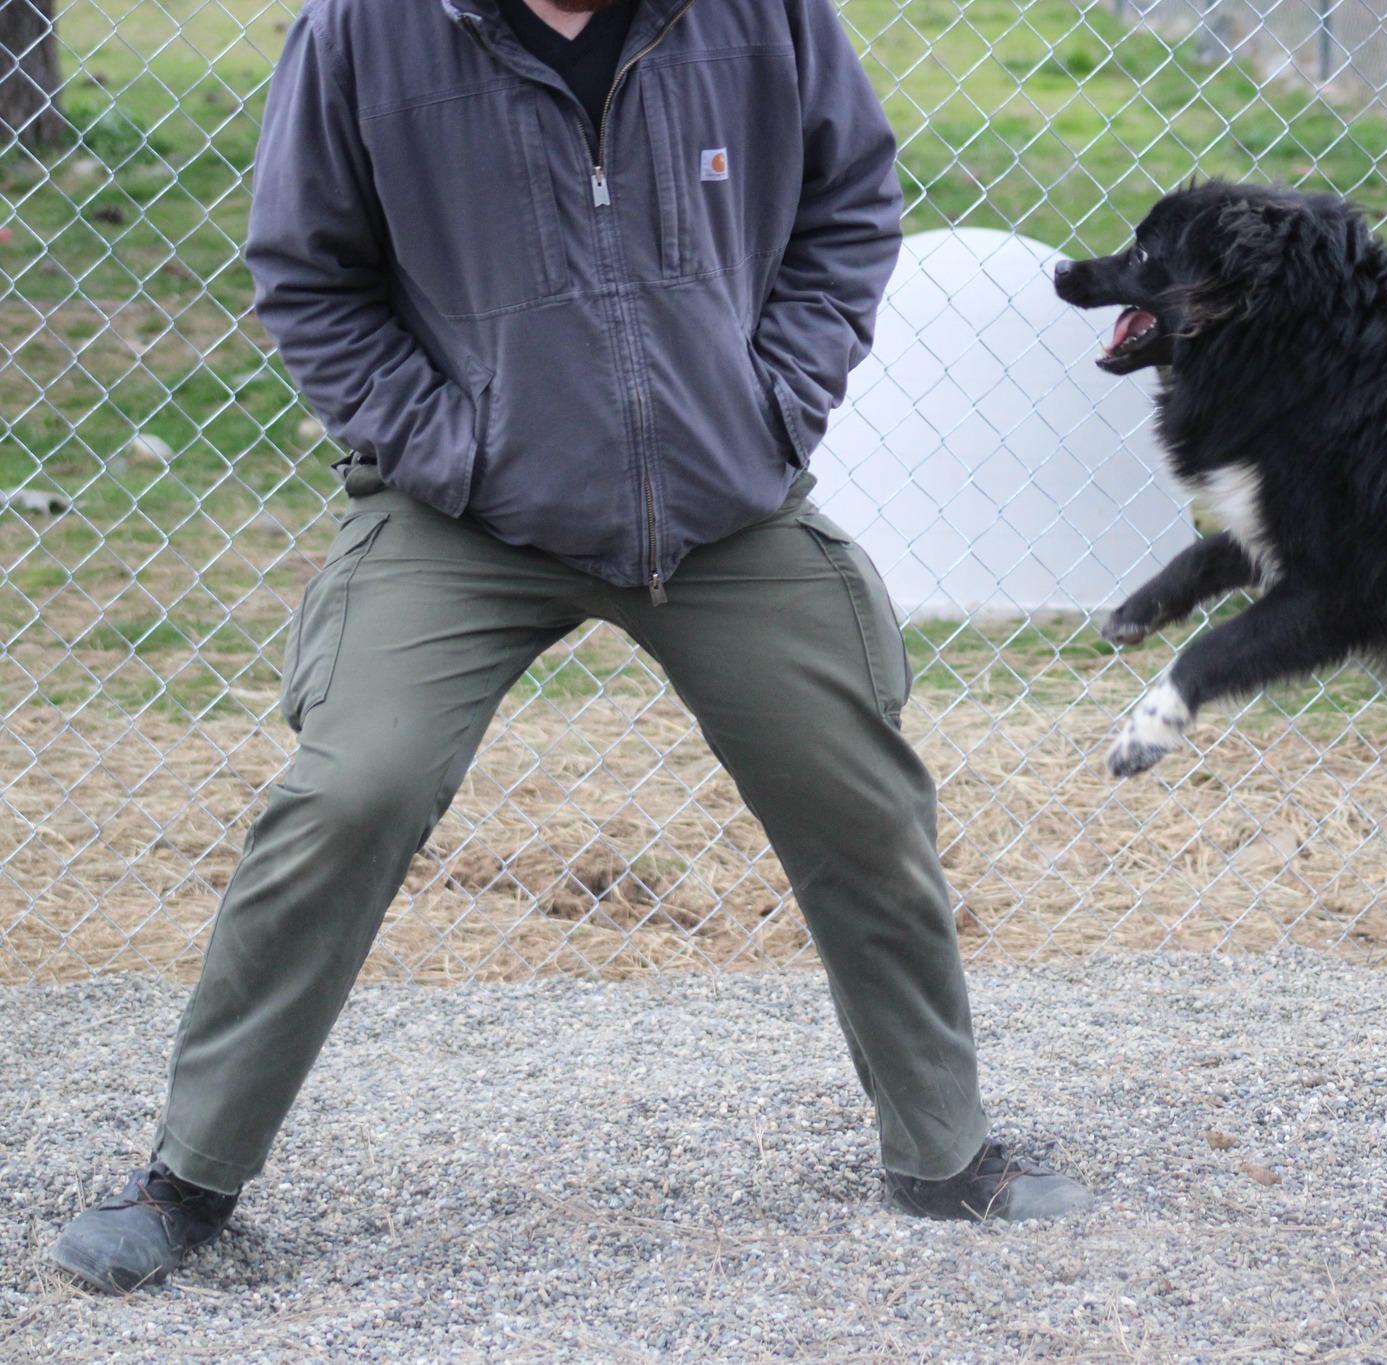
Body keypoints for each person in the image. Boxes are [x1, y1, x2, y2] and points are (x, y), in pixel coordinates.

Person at [49, 0, 1089, 1294]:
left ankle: (944, 1151)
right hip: (467, 513)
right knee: (350, 786)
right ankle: (189, 1180)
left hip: (718, 501)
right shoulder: (366, 32)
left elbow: (851, 202)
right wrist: (450, 447)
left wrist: (772, 406)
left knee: (858, 787)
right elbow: (306, 272)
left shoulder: (759, 18)